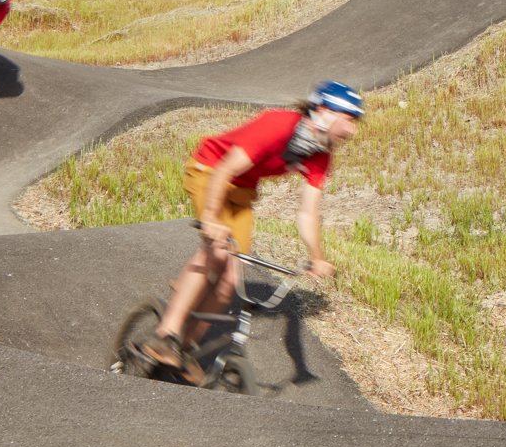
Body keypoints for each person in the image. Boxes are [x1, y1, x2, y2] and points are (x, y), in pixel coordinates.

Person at [142, 82, 365, 385]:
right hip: (210, 171)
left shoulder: (320, 155)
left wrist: (316, 257)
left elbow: (307, 211)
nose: (351, 130)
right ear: (324, 111)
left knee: (228, 287)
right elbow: (223, 170)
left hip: (242, 192)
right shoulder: (278, 125)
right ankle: (164, 336)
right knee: (217, 251)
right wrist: (209, 217)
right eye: (348, 118)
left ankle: (182, 350)